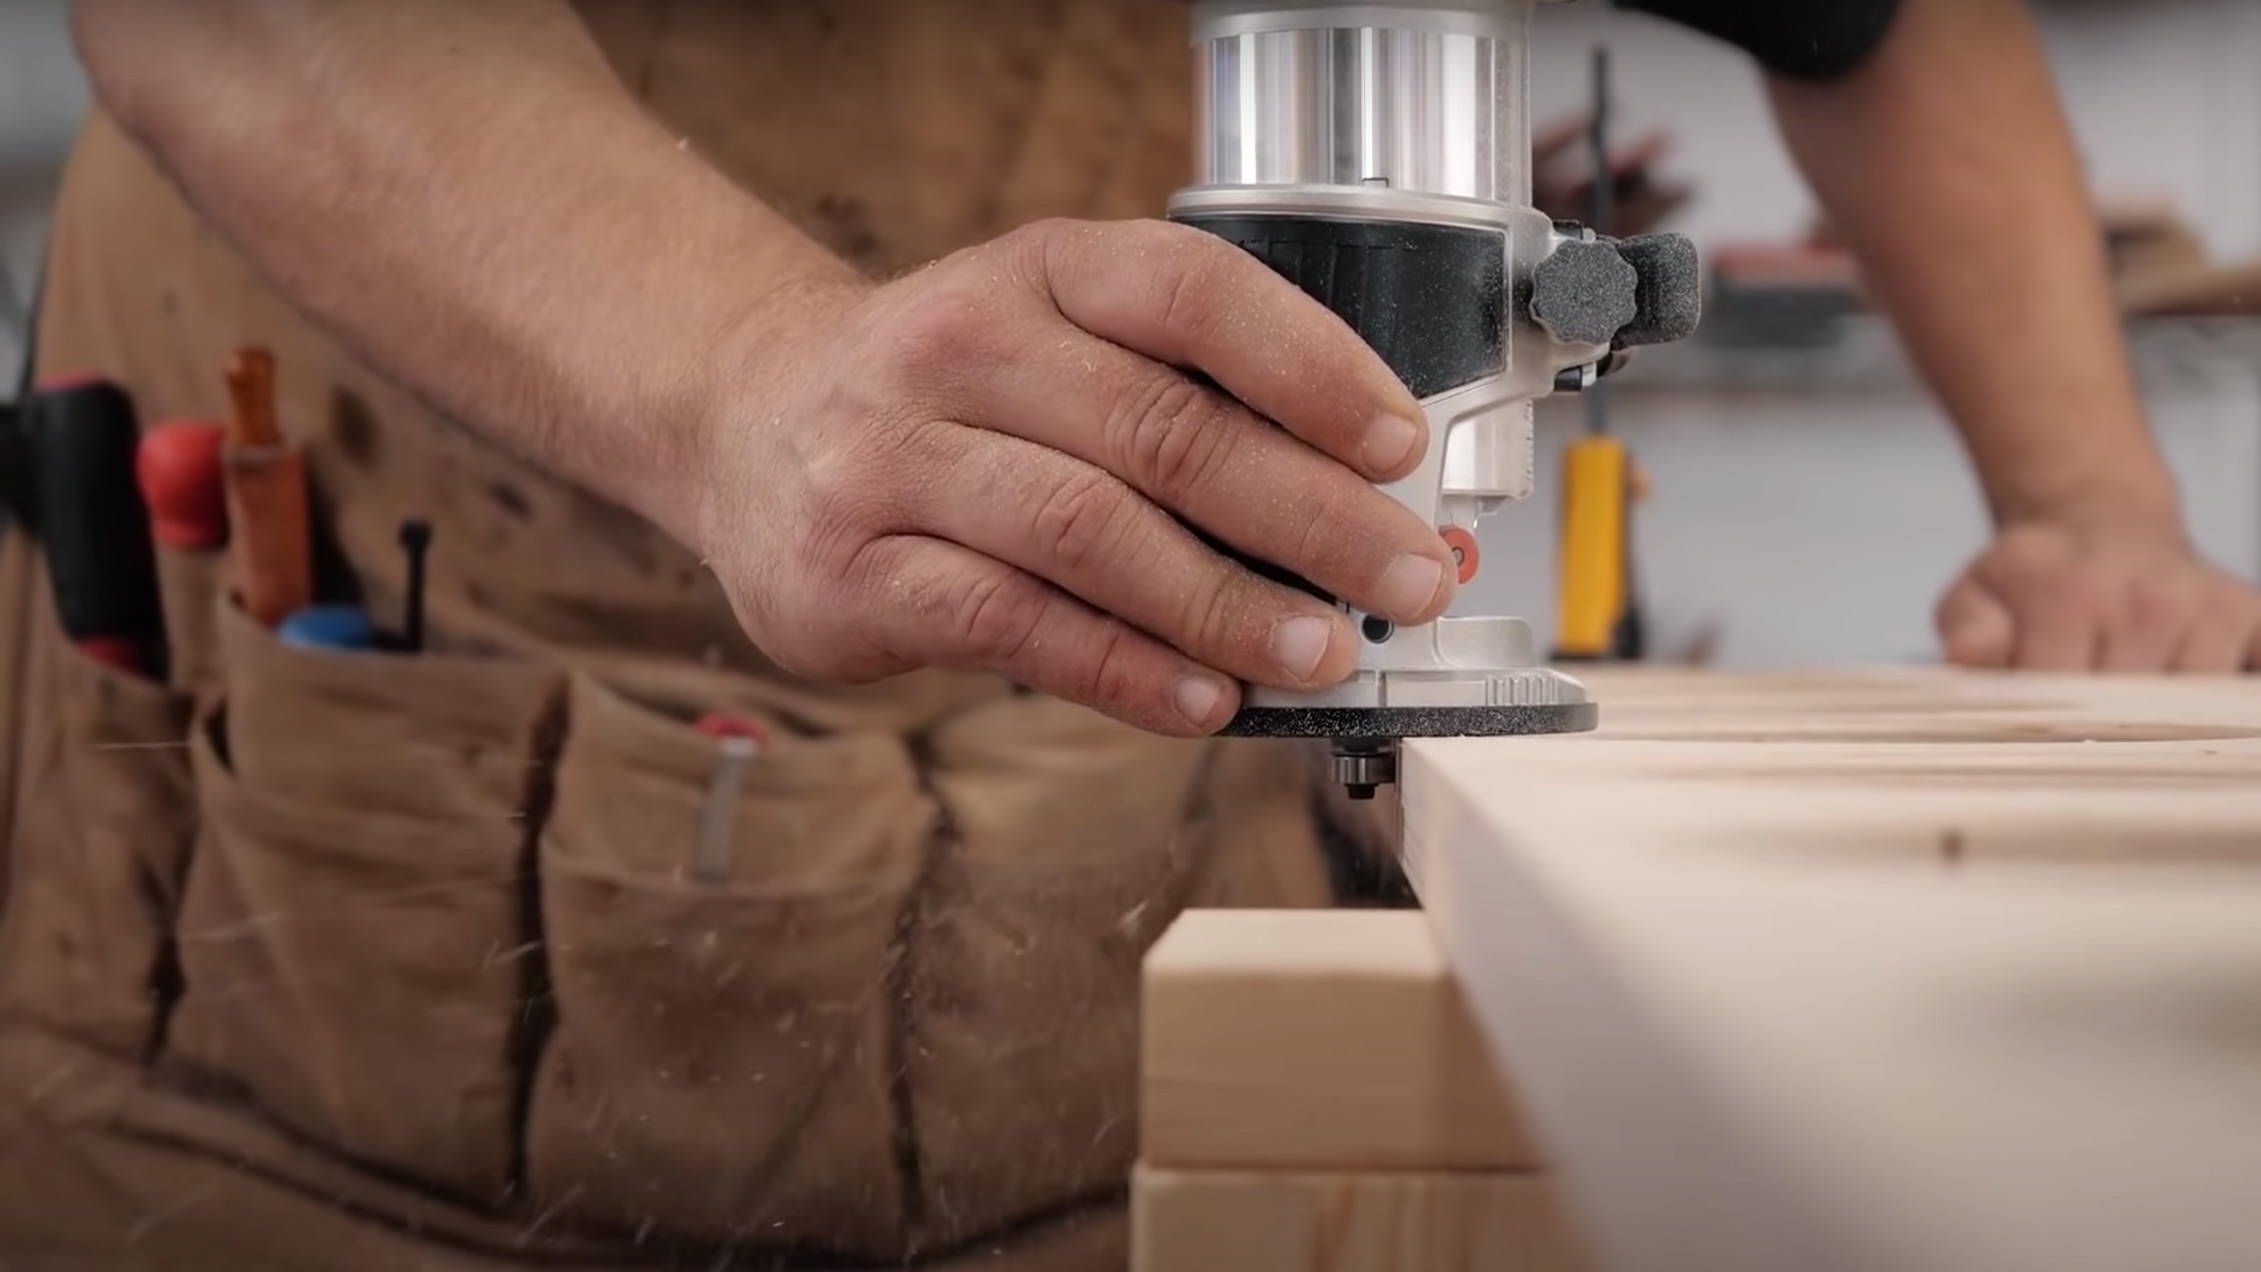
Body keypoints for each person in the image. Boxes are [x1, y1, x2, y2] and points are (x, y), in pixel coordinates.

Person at [2, 1, 2256, 1268]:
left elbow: (1877, 22)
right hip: (331, 951)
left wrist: (2091, 512)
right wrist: (742, 383)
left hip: (1086, 916)